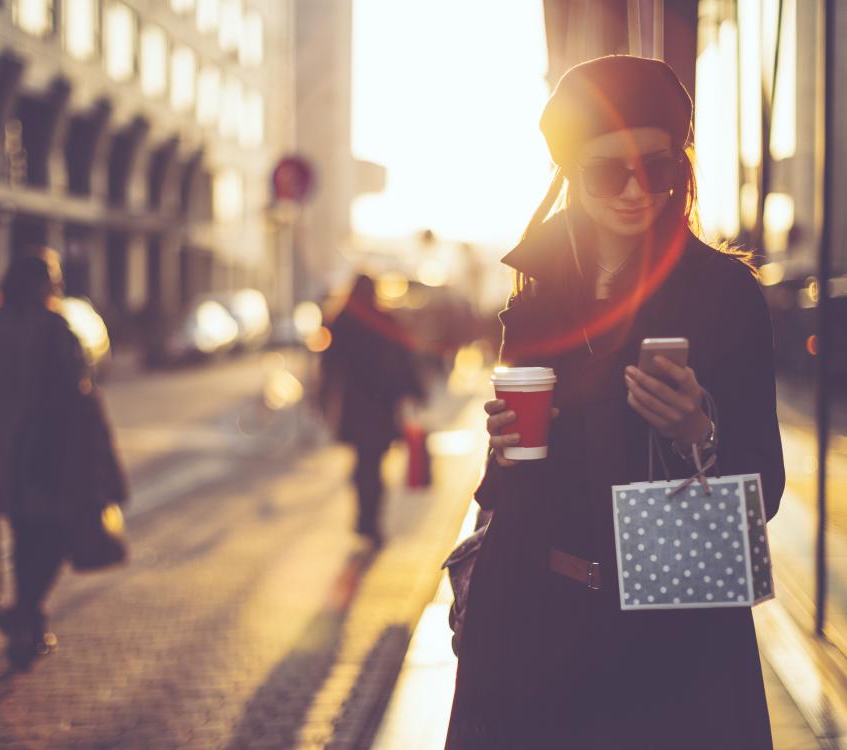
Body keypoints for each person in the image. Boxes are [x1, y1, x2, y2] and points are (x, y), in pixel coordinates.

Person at [446, 55, 785, 749]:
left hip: (675, 641)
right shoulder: (537, 292)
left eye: (657, 168)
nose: (636, 190)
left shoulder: (724, 293)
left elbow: (767, 485)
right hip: (537, 626)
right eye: (608, 172)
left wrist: (700, 431)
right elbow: (500, 488)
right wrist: (506, 448)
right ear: (570, 171)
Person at [0, 248, 127, 668]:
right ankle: (26, 613)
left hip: (0, 455)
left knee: (24, 535)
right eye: (51, 279)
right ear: (36, 284)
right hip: (47, 456)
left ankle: (27, 622)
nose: (57, 287)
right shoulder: (54, 329)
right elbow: (78, 395)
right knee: (50, 538)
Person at [320, 275, 424, 546]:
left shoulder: (341, 320)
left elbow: (329, 367)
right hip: (380, 406)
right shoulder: (384, 320)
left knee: (363, 464)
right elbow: (403, 361)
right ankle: (370, 521)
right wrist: (413, 391)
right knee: (374, 464)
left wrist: (322, 399)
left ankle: (364, 519)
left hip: (354, 406)